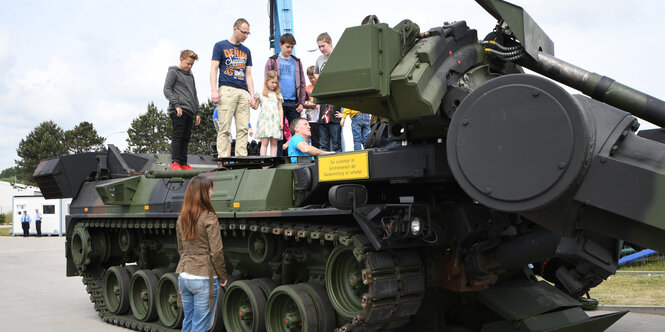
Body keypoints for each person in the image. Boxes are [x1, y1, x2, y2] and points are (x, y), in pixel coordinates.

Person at [176, 175, 227, 332]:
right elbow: (216, 251)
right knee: (200, 326)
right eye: (210, 189)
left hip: (184, 275)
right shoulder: (209, 217)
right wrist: (223, 276)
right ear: (204, 193)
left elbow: (181, 249)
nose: (212, 192)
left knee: (189, 321)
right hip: (203, 277)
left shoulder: (181, 218)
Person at [211, 18, 256, 159]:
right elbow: (213, 69)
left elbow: (248, 74)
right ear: (235, 29)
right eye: (244, 32)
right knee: (224, 127)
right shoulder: (220, 46)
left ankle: (241, 158)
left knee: (243, 128)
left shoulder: (246, 51)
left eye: (248, 33)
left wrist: (252, 95)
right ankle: (223, 158)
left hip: (243, 92)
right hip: (227, 89)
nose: (246, 36)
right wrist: (214, 90)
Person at [164, 49, 201, 171]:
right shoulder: (173, 72)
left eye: (192, 64)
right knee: (178, 135)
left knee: (186, 138)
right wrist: (176, 105)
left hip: (190, 111)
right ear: (181, 60)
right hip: (178, 110)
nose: (190, 66)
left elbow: (194, 94)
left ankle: (184, 163)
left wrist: (198, 112)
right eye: (188, 63)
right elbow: (167, 89)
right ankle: (175, 162)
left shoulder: (191, 76)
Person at [254, 71, 284, 156]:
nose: (274, 85)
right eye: (272, 82)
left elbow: (280, 109)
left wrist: (281, 121)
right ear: (267, 81)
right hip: (264, 121)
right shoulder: (261, 94)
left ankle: (272, 161)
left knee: (274, 143)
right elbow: (256, 107)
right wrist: (253, 102)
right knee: (265, 142)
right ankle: (263, 161)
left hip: (275, 121)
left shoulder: (278, 95)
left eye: (276, 83)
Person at [303, 66, 320, 148]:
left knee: (320, 137)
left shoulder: (321, 87)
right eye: (310, 78)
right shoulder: (307, 88)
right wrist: (308, 104)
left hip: (320, 117)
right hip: (311, 118)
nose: (312, 80)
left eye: (313, 78)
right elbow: (303, 102)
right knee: (313, 138)